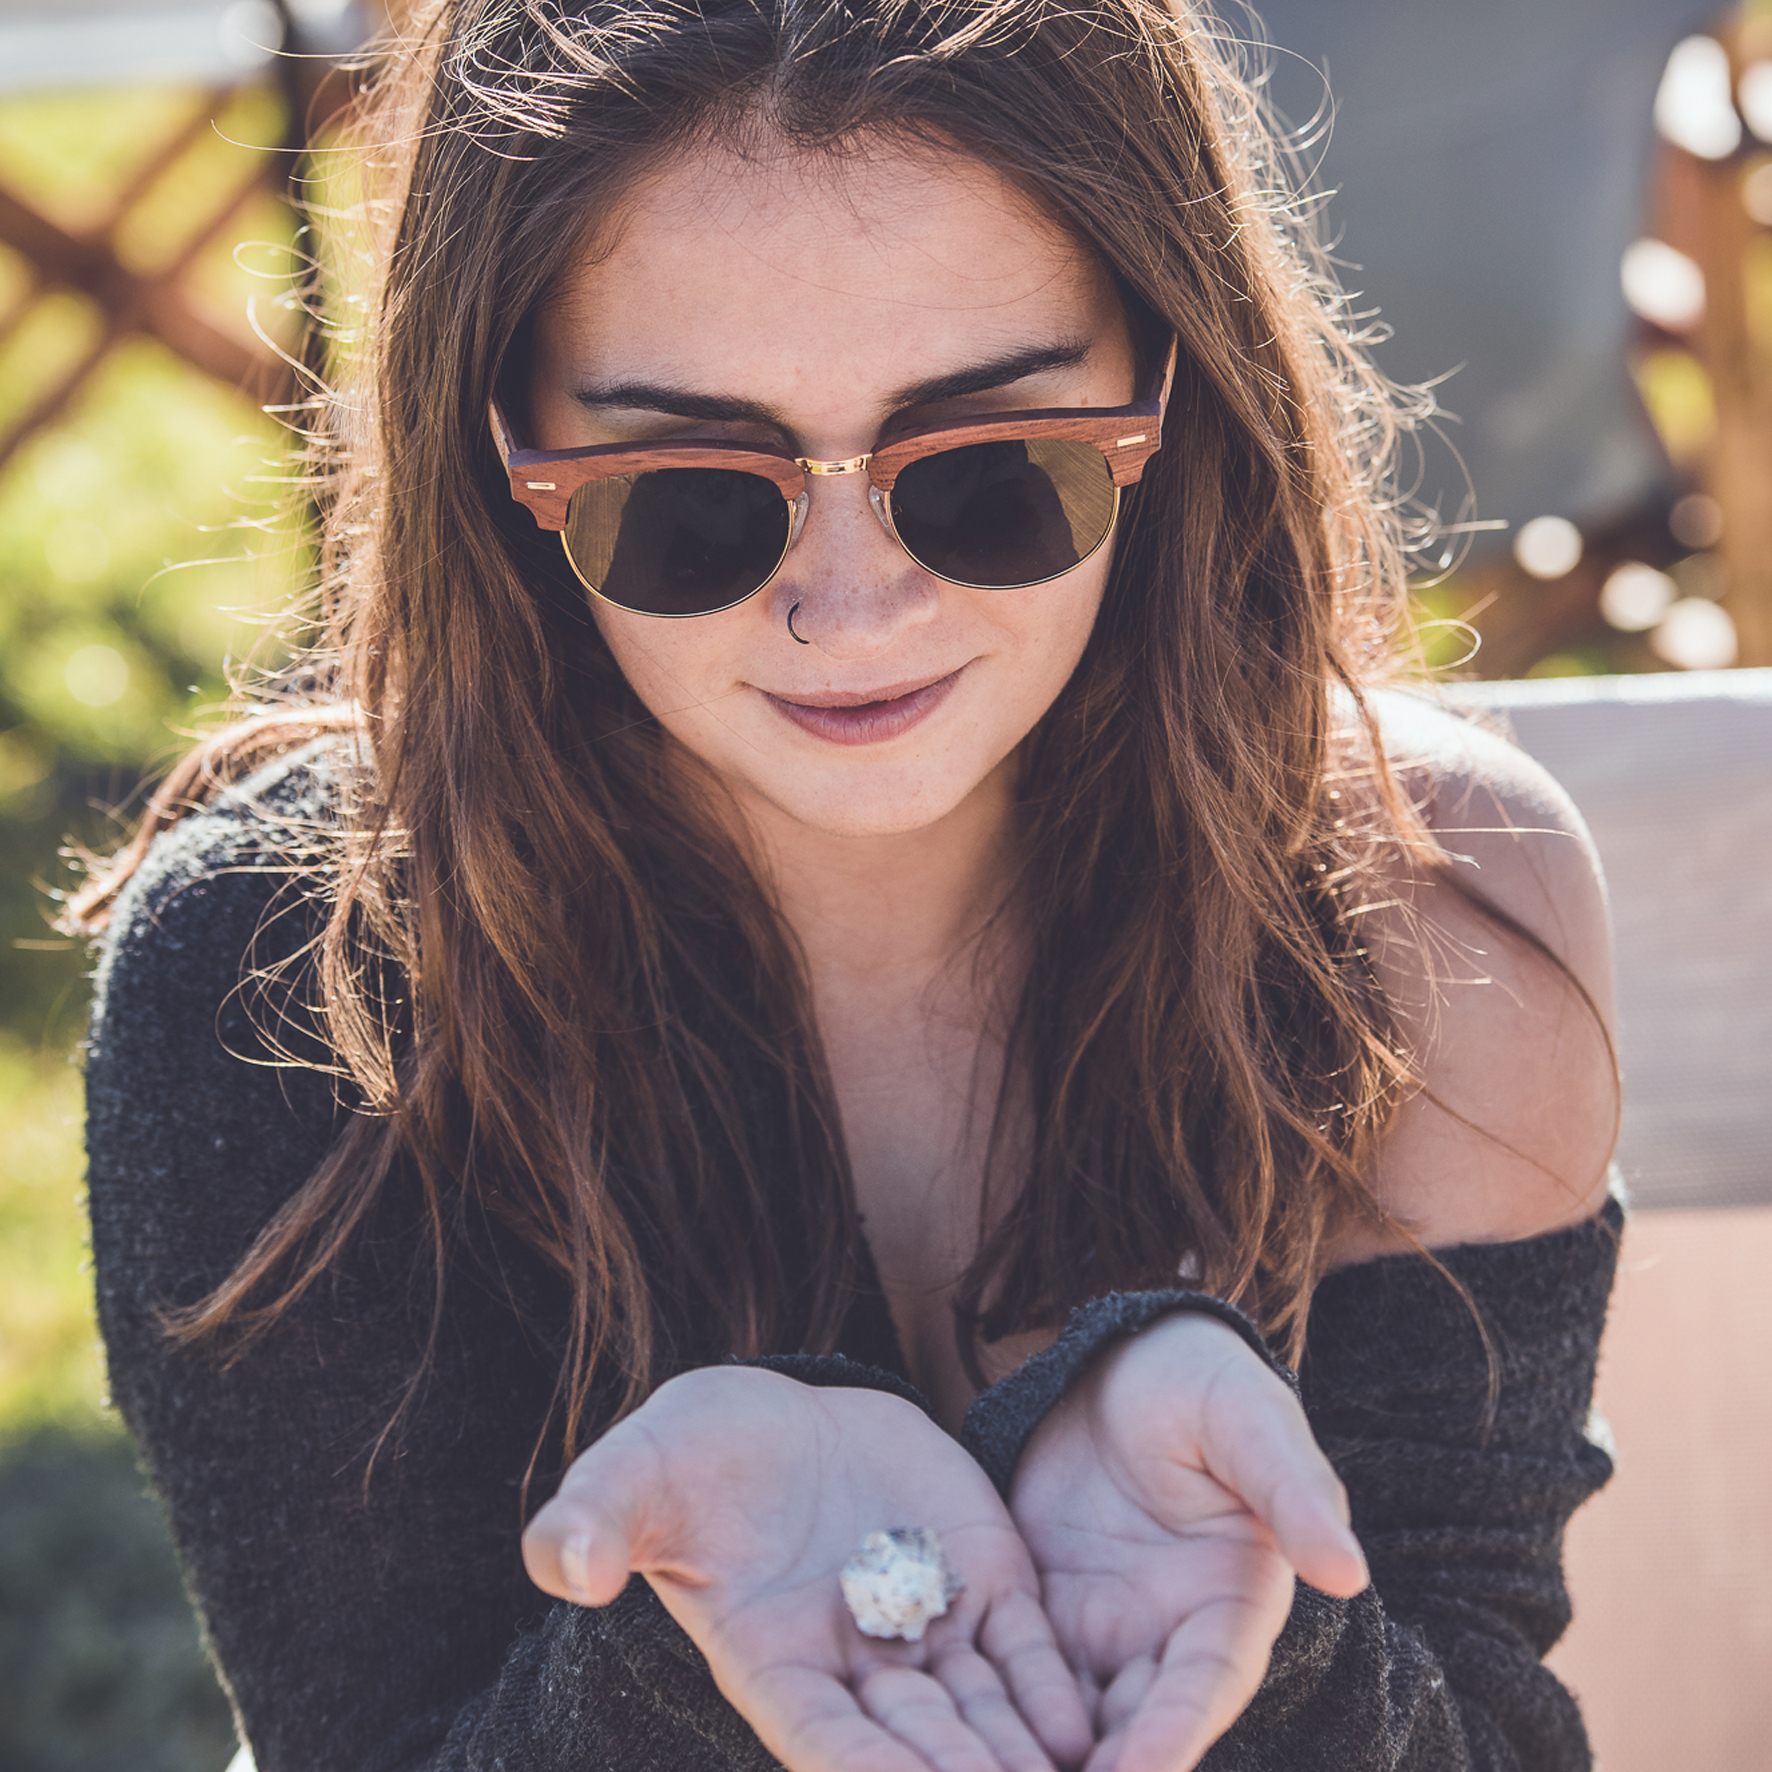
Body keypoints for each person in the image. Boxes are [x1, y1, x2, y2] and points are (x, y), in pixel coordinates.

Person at [72, 0, 1623, 1768]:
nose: (850, 603)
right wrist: (683, 1649)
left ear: (1168, 392)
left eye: (988, 473)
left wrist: (1260, 1638)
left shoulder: (1434, 918)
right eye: (693, 497)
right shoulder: (281, 983)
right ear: (506, 457)